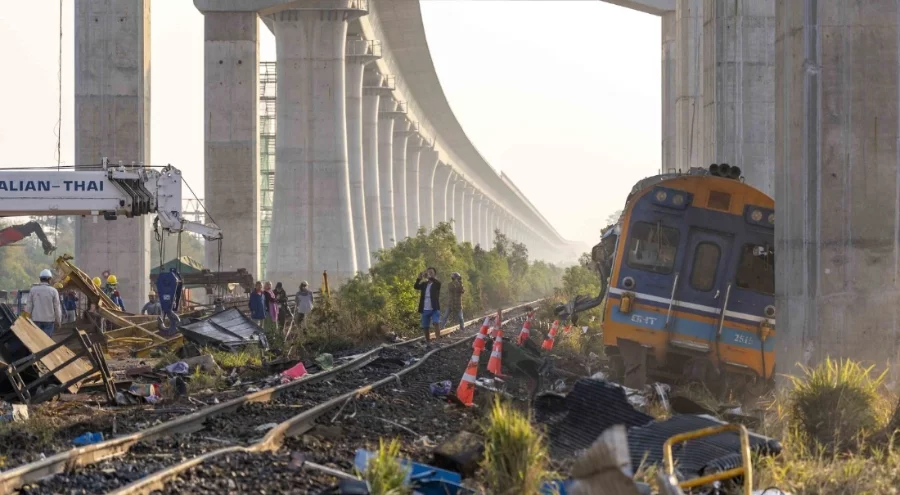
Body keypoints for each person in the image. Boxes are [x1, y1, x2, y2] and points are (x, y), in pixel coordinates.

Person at [25, 269, 63, 337]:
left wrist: (26, 319)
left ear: (40, 279)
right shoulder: (53, 291)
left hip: (36, 320)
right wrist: (58, 321)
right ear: (49, 279)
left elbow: (28, 307)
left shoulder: (33, 290)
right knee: (47, 342)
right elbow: (57, 307)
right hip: (49, 321)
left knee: (37, 341)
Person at [414, 267, 442, 344]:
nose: (429, 274)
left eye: (431, 272)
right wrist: (419, 278)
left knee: (436, 323)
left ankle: (438, 341)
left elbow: (437, 282)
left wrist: (429, 276)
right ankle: (428, 342)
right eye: (428, 272)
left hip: (434, 308)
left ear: (434, 274)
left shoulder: (436, 283)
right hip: (425, 308)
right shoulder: (424, 284)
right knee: (425, 327)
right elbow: (416, 286)